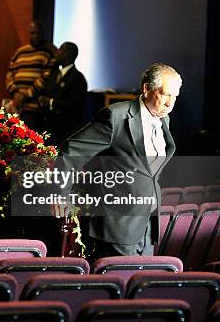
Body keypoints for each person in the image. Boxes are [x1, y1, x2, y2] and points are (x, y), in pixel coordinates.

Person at [62, 63, 182, 262]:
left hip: (148, 224)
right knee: (118, 287)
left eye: (175, 96)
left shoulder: (164, 120)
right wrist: (61, 194)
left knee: (139, 286)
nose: (171, 103)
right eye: (165, 95)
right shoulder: (115, 116)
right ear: (146, 89)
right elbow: (71, 152)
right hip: (116, 224)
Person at [5, 20, 57, 130]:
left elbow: (46, 76)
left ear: (43, 33)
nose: (35, 36)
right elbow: (10, 74)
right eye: (33, 33)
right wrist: (15, 92)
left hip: (35, 107)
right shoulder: (20, 51)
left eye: (38, 33)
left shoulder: (49, 51)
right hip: (17, 105)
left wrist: (26, 95)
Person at [38, 41, 88, 146]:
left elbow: (75, 106)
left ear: (68, 54)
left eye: (60, 49)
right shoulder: (54, 75)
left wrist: (51, 102)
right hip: (50, 128)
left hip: (66, 131)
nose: (57, 52)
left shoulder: (77, 78)